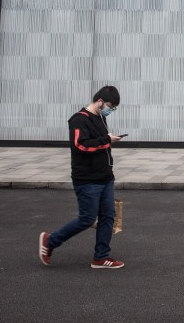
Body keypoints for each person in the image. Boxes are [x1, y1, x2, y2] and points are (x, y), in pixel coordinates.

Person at [39, 85, 126, 269]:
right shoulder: (79, 120)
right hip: (87, 180)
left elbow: (100, 145)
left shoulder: (101, 119)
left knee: (108, 217)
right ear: (100, 101)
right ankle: (50, 241)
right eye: (111, 105)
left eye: (114, 108)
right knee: (87, 218)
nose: (111, 110)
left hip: (105, 177)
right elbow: (81, 146)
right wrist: (107, 140)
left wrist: (108, 140)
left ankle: (101, 257)